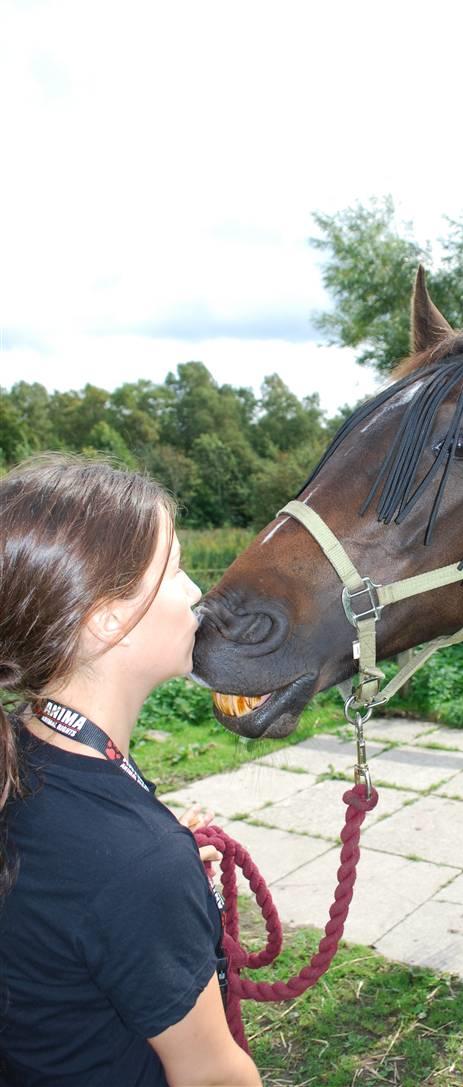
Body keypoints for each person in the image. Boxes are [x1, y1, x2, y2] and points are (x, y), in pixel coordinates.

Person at [0, 455, 262, 1087]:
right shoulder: (133, 861)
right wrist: (149, 867)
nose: (196, 591)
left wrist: (148, 861)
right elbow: (212, 1076)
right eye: (173, 570)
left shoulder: (23, 752)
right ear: (107, 617)